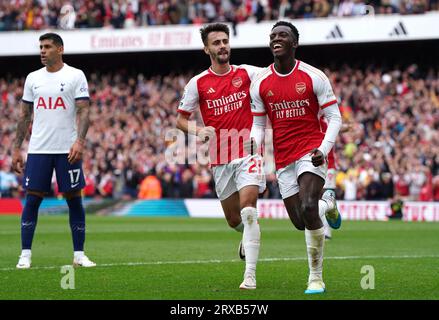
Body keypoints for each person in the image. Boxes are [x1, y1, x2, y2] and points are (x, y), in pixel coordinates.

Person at [248, 21, 342, 294]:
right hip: (283, 157)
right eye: (273, 36)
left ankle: (316, 277)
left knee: (308, 205)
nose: (276, 39)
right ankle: (330, 203)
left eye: (283, 35)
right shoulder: (261, 82)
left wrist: (323, 150)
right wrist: (253, 144)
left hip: (311, 151)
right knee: (301, 220)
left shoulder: (314, 77)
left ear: (294, 43)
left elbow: (334, 117)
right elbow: (258, 124)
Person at [176, 23, 266, 290]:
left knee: (249, 210)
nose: (222, 46)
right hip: (220, 158)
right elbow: (180, 120)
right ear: (207, 49)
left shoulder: (248, 73)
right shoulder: (198, 83)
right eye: (216, 43)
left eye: (225, 41)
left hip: (248, 151)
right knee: (234, 220)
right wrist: (198, 129)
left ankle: (250, 275)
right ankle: (246, 236)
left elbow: (274, 80)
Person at [12, 33, 95, 269]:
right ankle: (25, 254)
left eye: (47, 46)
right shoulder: (32, 78)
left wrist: (80, 141)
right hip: (39, 149)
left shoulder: (75, 75)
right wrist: (16, 148)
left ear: (60, 49)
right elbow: (24, 115)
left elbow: (84, 111)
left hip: (67, 149)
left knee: (74, 200)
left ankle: (79, 254)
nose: (42, 50)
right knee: (32, 200)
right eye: (41, 47)